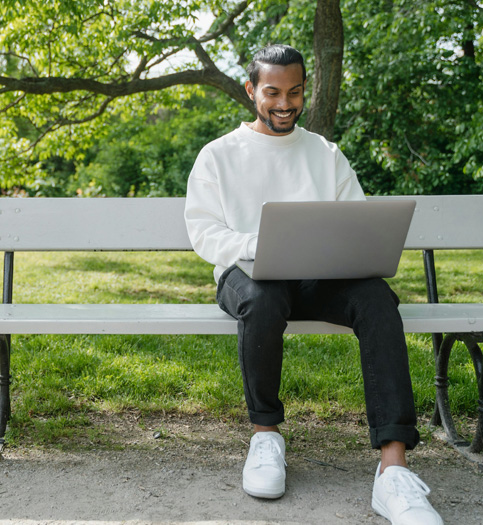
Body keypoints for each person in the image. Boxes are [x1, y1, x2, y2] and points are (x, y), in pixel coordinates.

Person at [184, 44, 443, 525]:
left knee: (377, 300)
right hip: (248, 277)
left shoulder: (325, 154)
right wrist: (260, 246)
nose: (285, 103)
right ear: (250, 90)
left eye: (296, 92)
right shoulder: (219, 155)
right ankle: (266, 435)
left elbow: (357, 222)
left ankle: (393, 468)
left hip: (320, 277)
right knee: (262, 300)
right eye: (273, 92)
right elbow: (204, 232)